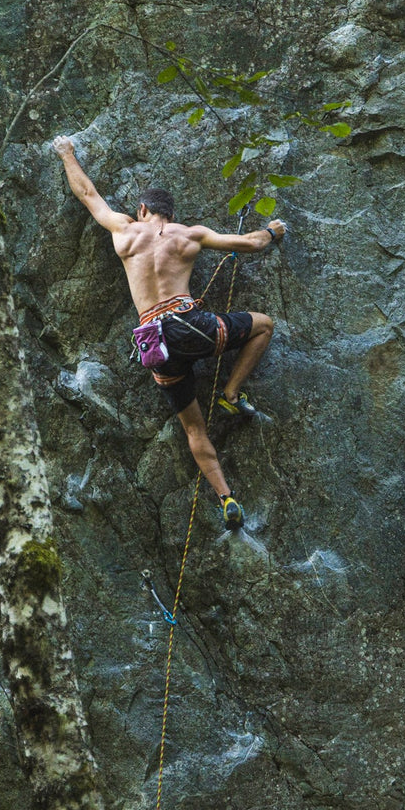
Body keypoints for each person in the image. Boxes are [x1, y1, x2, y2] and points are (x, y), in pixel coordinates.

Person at [53, 135, 285, 531]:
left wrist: (66, 153)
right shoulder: (188, 234)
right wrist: (274, 230)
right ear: (168, 212)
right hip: (193, 327)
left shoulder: (125, 232)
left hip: (155, 345)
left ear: (142, 209)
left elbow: (88, 194)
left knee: (193, 427)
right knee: (263, 325)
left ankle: (226, 497)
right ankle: (230, 393)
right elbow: (251, 243)